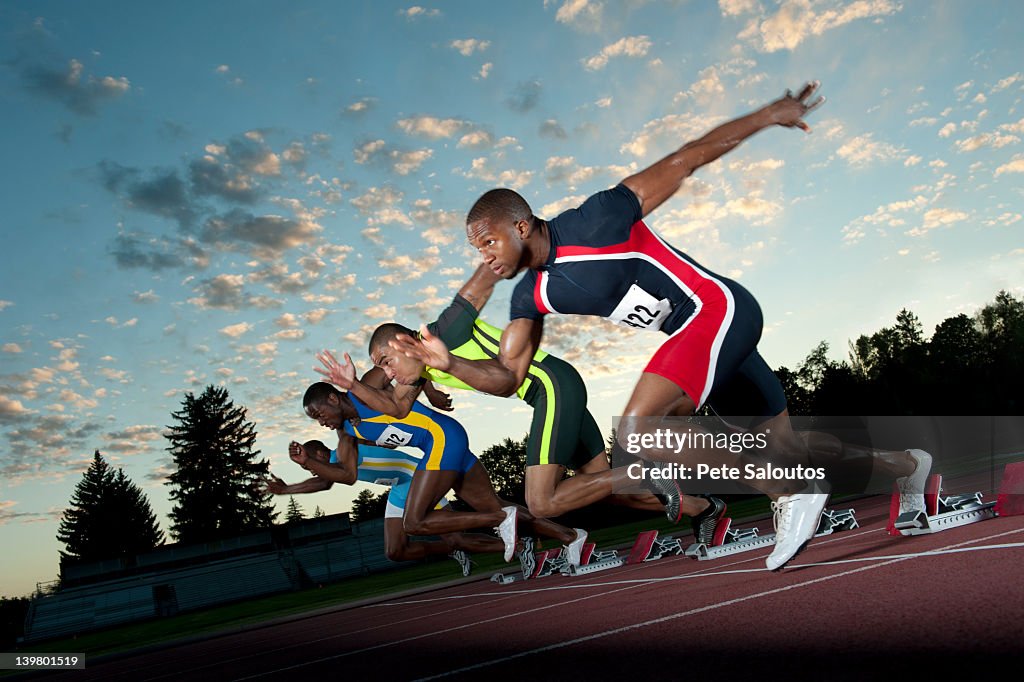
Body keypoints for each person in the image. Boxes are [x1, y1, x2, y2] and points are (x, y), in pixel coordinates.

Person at [391, 82, 932, 570]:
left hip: (719, 311)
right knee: (785, 444)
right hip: (705, 344)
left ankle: (787, 494)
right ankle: (906, 465)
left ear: (521, 224)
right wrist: (449, 362)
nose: (484, 257)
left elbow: (686, 159)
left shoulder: (599, 217)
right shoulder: (529, 298)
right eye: (475, 249)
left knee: (639, 430)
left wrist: (768, 114)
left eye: (488, 241)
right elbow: (510, 377)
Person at [315, 263, 728, 545]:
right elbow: (398, 410)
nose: (386, 373)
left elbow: (478, 285)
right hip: (550, 393)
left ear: (404, 343)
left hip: (552, 385)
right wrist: (353, 384)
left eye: (385, 362)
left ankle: (641, 471)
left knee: (542, 501)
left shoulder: (445, 331)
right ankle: (705, 508)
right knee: (607, 490)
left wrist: (499, 254)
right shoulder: (420, 371)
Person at [299, 381, 590, 569]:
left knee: (414, 522)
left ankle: (500, 521)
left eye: (319, 413)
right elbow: (347, 475)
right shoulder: (347, 432)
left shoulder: (364, 389)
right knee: (496, 504)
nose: (320, 421)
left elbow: (409, 365)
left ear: (332, 399)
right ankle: (572, 536)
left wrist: (431, 390)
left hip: (440, 440)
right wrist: (308, 463)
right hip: (446, 445)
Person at [265, 439, 509, 576]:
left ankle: (514, 544)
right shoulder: (330, 466)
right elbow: (324, 480)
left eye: (309, 464)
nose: (308, 469)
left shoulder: (342, 452)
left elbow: (325, 481)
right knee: (395, 551)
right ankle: (450, 548)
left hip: (417, 477)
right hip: (398, 487)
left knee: (458, 538)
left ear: (319, 453)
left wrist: (298, 477)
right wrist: (286, 490)